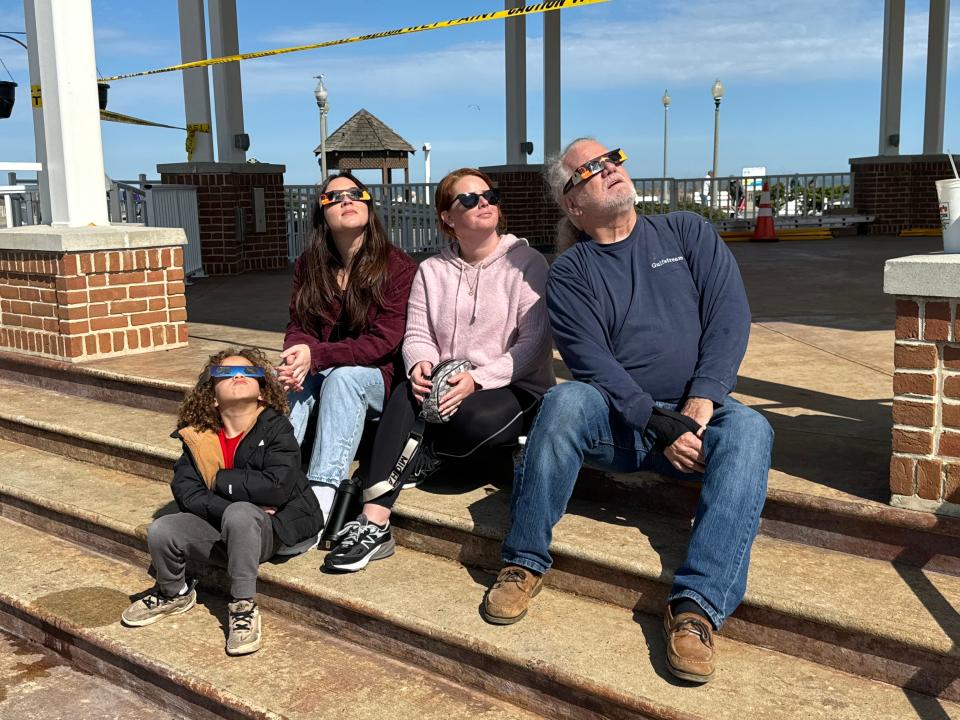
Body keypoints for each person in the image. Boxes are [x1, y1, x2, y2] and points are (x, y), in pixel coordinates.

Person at [484, 139, 772, 685]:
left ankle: (696, 609)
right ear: (573, 205)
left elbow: (729, 317)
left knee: (753, 431)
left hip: (701, 413)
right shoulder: (570, 273)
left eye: (611, 158)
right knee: (566, 400)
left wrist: (703, 399)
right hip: (622, 425)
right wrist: (655, 422)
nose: (608, 170)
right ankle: (523, 561)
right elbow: (590, 362)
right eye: (589, 169)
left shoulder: (686, 232)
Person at [323, 168, 555, 572]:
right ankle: (375, 520)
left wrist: (479, 379)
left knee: (473, 418)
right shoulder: (432, 270)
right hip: (448, 384)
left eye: (489, 195)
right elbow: (416, 334)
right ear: (448, 217)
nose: (483, 203)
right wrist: (421, 365)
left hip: (513, 385)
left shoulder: (528, 263)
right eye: (468, 199)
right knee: (405, 388)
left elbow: (533, 345)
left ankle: (429, 453)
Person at [121, 348, 322, 656]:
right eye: (225, 374)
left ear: (263, 393)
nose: (238, 376)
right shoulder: (198, 438)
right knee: (163, 529)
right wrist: (229, 504)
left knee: (242, 515)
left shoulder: (277, 428)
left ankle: (243, 606)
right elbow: (186, 491)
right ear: (212, 397)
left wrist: (219, 482)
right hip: (223, 529)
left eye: (248, 372)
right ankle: (174, 592)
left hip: (271, 532)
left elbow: (277, 488)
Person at [281, 173, 417, 544]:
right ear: (321, 213)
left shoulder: (397, 266)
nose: (346, 200)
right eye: (334, 197)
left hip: (375, 382)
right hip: (326, 371)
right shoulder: (310, 264)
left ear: (368, 206)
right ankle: (276, 482)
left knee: (343, 378)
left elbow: (384, 343)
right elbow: (299, 324)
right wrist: (295, 356)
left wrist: (317, 355)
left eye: (356, 194)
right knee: (292, 379)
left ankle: (321, 498)